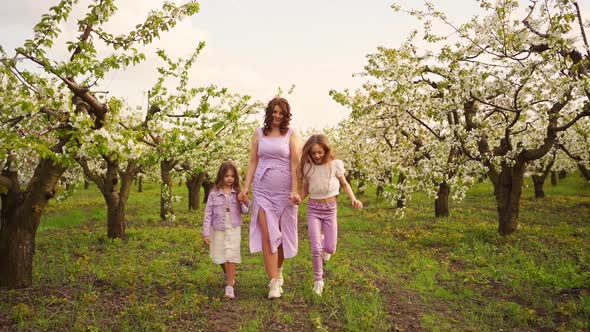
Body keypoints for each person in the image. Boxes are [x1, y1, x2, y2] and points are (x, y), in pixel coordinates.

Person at [238, 97, 301, 299]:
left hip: (285, 194)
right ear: (269, 112)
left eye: (281, 113)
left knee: (281, 235)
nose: (277, 116)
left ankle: (279, 270)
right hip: (262, 191)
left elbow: (295, 164)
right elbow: (252, 161)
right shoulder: (259, 134)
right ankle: (273, 282)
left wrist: (295, 190)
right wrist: (246, 187)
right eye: (274, 112)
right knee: (268, 234)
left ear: (285, 115)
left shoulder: (291, 134)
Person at [300, 134, 363, 296]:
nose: (316, 156)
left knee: (330, 248)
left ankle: (323, 242)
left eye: (319, 152)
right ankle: (318, 281)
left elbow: (344, 183)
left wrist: (353, 199)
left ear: (326, 151)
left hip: (330, 209)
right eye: (313, 153)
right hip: (313, 209)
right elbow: (306, 189)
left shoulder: (335, 165)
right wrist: (298, 198)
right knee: (315, 249)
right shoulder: (308, 167)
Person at [202, 161, 250, 299]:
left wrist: (244, 200)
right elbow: (208, 213)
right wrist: (205, 232)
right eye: (227, 176)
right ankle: (227, 273)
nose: (230, 179)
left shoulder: (238, 193)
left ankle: (229, 286)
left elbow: (245, 211)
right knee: (220, 255)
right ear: (221, 176)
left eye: (232, 176)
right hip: (218, 228)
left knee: (231, 254)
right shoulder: (213, 193)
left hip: (233, 228)